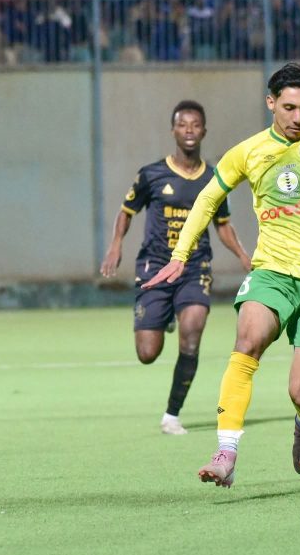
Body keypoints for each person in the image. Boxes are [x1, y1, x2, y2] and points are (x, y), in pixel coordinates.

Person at [143, 62, 300, 488]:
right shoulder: (249, 150)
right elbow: (208, 198)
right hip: (273, 272)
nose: (298, 117)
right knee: (247, 341)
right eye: (289, 108)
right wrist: (180, 254)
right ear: (271, 103)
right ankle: (226, 452)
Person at [101, 100, 251, 436]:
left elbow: (222, 225)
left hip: (194, 268)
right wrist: (115, 245)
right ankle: (165, 313)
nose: (189, 131)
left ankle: (172, 415)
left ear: (204, 131)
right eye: (183, 125)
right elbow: (126, 211)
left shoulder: (213, 178)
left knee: (193, 332)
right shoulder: (151, 174)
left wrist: (244, 255)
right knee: (147, 353)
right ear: (173, 130)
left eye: (195, 125)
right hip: (155, 267)